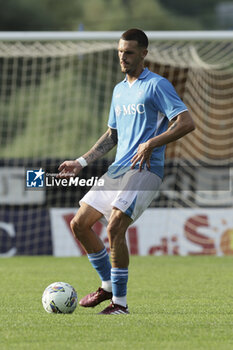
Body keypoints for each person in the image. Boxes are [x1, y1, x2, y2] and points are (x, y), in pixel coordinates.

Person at [58, 28, 195, 315]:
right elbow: (112, 135)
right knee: (79, 224)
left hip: (145, 169)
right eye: (120, 51)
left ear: (143, 54)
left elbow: (185, 123)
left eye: (129, 52)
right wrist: (81, 162)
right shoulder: (119, 90)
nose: (123, 57)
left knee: (115, 225)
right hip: (117, 168)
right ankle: (107, 286)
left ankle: (119, 304)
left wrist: (152, 143)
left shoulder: (157, 85)